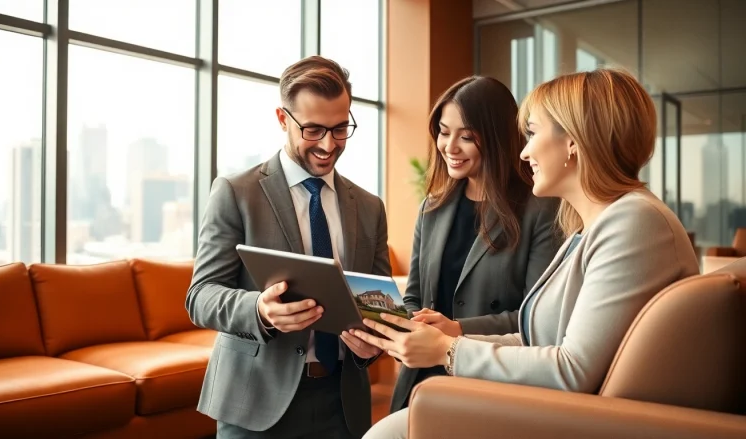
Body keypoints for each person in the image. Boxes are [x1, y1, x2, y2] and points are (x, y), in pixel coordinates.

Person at [355, 68, 700, 438]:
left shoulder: (632, 222)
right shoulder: (593, 225)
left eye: (532, 133)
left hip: (573, 416)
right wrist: (445, 341)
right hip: (543, 403)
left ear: (573, 142)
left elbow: (572, 368)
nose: (523, 150)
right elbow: (539, 338)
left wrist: (450, 349)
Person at [186, 55, 390, 439]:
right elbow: (200, 296)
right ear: (283, 119)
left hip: (343, 403)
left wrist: (374, 343)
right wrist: (259, 310)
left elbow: (377, 303)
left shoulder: (368, 207)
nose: (329, 145)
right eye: (313, 130)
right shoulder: (236, 193)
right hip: (255, 400)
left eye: (340, 128)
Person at [388, 76, 559, 413]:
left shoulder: (541, 210)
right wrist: (402, 328)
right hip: (422, 382)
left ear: (496, 139)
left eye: (466, 137)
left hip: (491, 382)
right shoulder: (432, 208)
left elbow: (537, 321)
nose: (449, 146)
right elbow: (414, 296)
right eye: (443, 130)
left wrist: (459, 330)